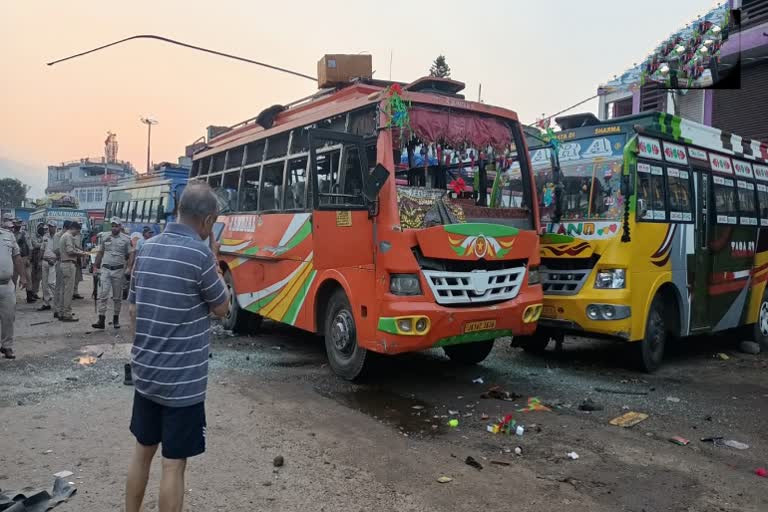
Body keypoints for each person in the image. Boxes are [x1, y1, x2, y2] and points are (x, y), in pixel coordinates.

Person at [125, 183, 229, 512]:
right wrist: (214, 259)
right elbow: (223, 308)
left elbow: (133, 310)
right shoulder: (199, 256)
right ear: (209, 219)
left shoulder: (147, 249)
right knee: (173, 465)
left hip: (147, 375)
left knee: (142, 452)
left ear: (179, 209)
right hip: (182, 384)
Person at [92, 217, 134, 330]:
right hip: (105, 269)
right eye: (113, 226)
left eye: (116, 226)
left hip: (119, 270)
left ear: (120, 227)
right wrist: (95, 266)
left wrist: (129, 268)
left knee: (117, 297)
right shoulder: (105, 237)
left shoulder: (126, 239)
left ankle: (116, 319)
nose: (114, 228)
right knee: (103, 294)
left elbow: (131, 254)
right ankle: (101, 319)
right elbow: (100, 252)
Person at [1, 217, 27, 360]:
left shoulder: (8, 236)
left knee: (8, 317)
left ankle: (7, 346)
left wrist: (23, 276)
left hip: (6, 284)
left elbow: (17, 257)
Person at [58, 222, 87, 322]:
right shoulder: (69, 236)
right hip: (68, 264)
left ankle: (61, 311)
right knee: (68, 291)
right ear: (74, 228)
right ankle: (67, 313)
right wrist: (81, 254)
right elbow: (70, 251)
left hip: (63, 264)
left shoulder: (64, 235)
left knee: (64, 290)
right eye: (77, 231)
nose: (77, 234)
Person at [10, 218, 35, 304]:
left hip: (24, 257)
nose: (17, 225)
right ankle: (12, 297)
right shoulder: (10, 233)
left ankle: (29, 296)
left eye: (19, 223)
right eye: (16, 224)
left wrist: (29, 258)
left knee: (28, 277)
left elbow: (30, 247)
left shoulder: (24, 233)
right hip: (13, 258)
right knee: (13, 278)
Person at [37, 220, 58, 312]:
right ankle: (46, 303)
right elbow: (42, 249)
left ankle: (58, 301)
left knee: (51, 283)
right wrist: (39, 260)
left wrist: (55, 259)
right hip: (45, 261)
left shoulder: (59, 237)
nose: (50, 228)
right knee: (44, 284)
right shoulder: (45, 237)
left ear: (55, 227)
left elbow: (61, 251)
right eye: (49, 226)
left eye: (52, 226)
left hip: (54, 261)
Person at [52, 220, 70, 319]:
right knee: (58, 287)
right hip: (60, 262)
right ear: (66, 228)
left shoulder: (69, 236)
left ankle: (62, 310)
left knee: (65, 288)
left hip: (67, 262)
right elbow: (56, 250)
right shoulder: (58, 236)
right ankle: (57, 310)